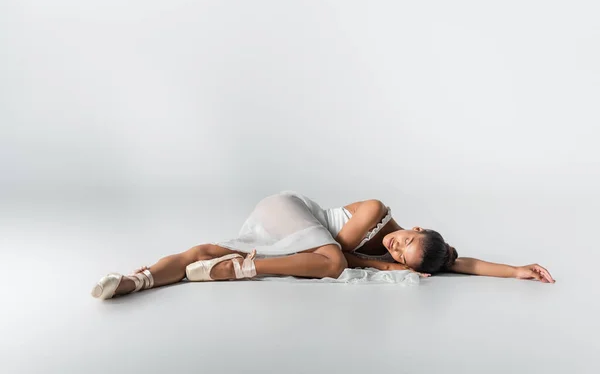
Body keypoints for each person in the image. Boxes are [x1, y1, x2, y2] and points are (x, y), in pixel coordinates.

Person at [91, 190, 555, 300]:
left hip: (296, 244)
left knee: (207, 251)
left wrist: (517, 271)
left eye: (400, 253)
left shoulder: (410, 255)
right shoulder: (375, 210)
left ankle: (137, 279)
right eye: (406, 239)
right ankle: (245, 269)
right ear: (415, 225)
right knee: (333, 260)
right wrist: (391, 270)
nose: (395, 247)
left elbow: (462, 263)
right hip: (290, 211)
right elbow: (338, 254)